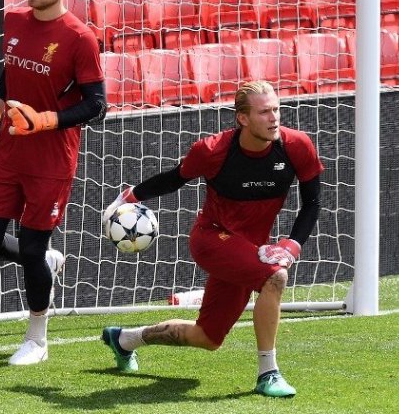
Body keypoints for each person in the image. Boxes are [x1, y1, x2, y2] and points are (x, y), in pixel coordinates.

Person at [101, 81, 323, 397]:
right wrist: (130, 195)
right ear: (242, 118)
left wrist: (292, 243)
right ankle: (268, 374)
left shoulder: (296, 146)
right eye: (264, 112)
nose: (274, 118)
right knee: (276, 277)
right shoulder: (212, 150)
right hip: (211, 239)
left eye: (276, 109)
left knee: (207, 338)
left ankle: (124, 339)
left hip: (248, 251)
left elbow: (313, 202)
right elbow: (175, 178)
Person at [0, 0, 106, 366]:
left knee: (30, 248)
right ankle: (46, 260)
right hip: (9, 150)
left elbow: (97, 105)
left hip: (52, 159)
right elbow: (6, 77)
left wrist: (45, 120)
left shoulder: (79, 38)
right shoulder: (13, 21)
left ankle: (37, 338)